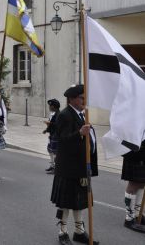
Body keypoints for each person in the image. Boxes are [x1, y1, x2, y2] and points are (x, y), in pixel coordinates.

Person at [50, 84, 99, 245]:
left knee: (79, 201)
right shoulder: (64, 115)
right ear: (72, 99)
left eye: (85, 97)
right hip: (68, 167)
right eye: (81, 98)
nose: (84, 100)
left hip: (80, 166)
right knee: (66, 202)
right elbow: (62, 140)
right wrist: (79, 133)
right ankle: (62, 232)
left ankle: (79, 231)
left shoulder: (82, 115)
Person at [122, 141, 145, 233]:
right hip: (134, 149)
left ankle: (137, 214)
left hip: (142, 151)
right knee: (133, 184)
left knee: (141, 183)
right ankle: (129, 218)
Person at [43, 99, 60, 174]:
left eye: (50, 106)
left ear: (53, 106)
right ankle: (52, 165)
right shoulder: (53, 114)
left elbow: (57, 125)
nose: (49, 107)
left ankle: (56, 168)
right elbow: (51, 124)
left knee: (55, 152)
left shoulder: (59, 114)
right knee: (49, 149)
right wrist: (46, 129)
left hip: (56, 136)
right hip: (52, 135)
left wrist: (49, 123)